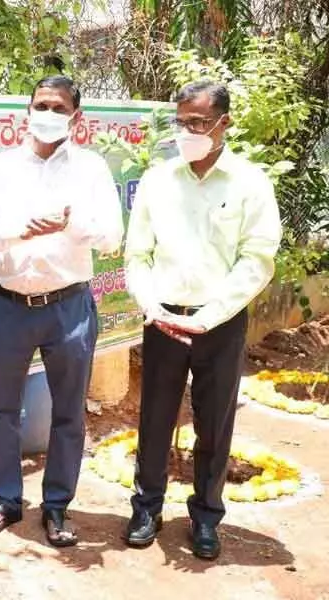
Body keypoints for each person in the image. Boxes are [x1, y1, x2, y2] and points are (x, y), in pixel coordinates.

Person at [123, 80, 281, 560]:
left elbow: (257, 258)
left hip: (220, 323)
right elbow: (138, 255)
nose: (188, 131)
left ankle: (206, 516)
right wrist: (151, 305)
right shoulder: (158, 180)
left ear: (223, 124)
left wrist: (210, 316)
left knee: (214, 424)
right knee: (154, 417)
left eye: (198, 122)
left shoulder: (250, 183)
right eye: (182, 121)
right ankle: (146, 508)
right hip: (163, 318)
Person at [0, 75, 124, 546]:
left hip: (68, 307)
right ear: (27, 108)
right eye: (42, 105)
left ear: (75, 116)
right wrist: (20, 231)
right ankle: (7, 500)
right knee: (3, 410)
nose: (49, 114)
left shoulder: (91, 169)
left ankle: (57, 507)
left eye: (59, 108)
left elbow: (114, 237)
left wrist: (74, 223)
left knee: (69, 413)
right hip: (10, 306)